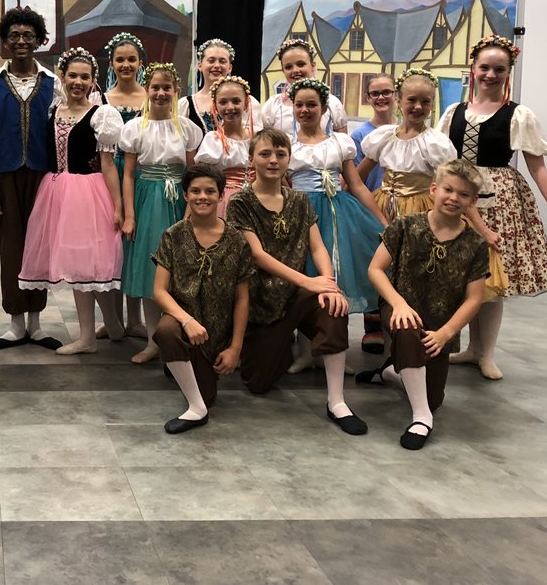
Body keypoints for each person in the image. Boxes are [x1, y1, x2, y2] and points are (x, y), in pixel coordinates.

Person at [439, 35, 547, 381]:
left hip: (500, 204)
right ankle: (466, 346)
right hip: (456, 202)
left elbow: (537, 166)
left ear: (508, 72)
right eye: (484, 67)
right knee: (459, 277)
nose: (490, 74)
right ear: (473, 69)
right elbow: (437, 160)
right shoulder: (453, 112)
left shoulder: (517, 115)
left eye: (499, 69)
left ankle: (485, 352)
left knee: (491, 280)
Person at [227, 127, 367, 436]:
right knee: (258, 383)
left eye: (280, 154)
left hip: (297, 295)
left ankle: (337, 401)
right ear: (251, 159)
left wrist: (328, 283)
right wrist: (309, 281)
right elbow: (257, 255)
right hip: (260, 303)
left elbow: (317, 247)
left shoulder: (299, 201)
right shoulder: (240, 202)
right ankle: (280, 348)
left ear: (289, 159)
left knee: (333, 305)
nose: (273, 160)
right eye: (265, 154)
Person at [360, 159, 490, 450]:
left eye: (463, 194)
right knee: (407, 328)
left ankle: (391, 372)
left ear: (473, 201)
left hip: (440, 325)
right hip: (399, 309)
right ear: (434, 189)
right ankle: (421, 418)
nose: (454, 198)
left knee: (435, 399)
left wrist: (447, 332)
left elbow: (475, 298)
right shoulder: (405, 226)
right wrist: (399, 304)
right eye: (448, 189)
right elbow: (375, 270)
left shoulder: (475, 244)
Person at [18, 47, 125, 355]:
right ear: (62, 77)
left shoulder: (101, 114)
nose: (79, 82)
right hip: (57, 191)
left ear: (94, 81)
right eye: (73, 76)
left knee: (90, 266)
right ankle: (105, 328)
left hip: (88, 193)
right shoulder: (54, 111)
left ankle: (92, 336)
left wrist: (117, 205)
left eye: (86, 77)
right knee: (84, 266)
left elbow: (107, 164)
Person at [0, 7, 64, 350]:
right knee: (11, 246)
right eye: (14, 36)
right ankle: (14, 322)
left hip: (43, 176)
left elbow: (60, 131)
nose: (21, 41)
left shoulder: (53, 83)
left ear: (40, 40)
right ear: (5, 42)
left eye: (28, 35)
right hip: (7, 176)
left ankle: (37, 323)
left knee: (39, 247)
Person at [286, 78, 388, 374]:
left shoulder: (340, 143)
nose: (305, 110)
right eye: (300, 105)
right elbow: (282, 185)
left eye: (311, 105)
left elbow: (356, 185)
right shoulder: (288, 146)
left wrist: (382, 222)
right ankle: (306, 351)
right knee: (306, 278)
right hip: (300, 215)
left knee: (336, 281)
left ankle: (333, 350)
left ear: (324, 108)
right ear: (293, 107)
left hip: (336, 216)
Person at [152, 164, 255, 433]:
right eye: (195, 191)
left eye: (210, 191)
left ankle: (181, 367)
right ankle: (197, 409)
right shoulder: (173, 235)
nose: (202, 197)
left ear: (221, 196)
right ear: (185, 195)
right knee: (165, 330)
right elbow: (160, 291)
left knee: (211, 392)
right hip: (186, 323)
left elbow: (242, 299)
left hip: (218, 332)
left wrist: (235, 348)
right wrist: (186, 321)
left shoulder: (236, 240)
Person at [119, 62, 203, 363]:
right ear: (147, 90)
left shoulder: (188, 128)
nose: (160, 93)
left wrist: (194, 209)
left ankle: (182, 333)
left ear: (176, 91)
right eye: (155, 87)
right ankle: (155, 339)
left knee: (183, 267)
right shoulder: (134, 128)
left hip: (178, 200)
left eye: (167, 87)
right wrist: (130, 214)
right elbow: (128, 175)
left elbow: (193, 173)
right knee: (152, 268)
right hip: (149, 199)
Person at [357, 69, 456, 223]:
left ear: (432, 103)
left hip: (418, 209)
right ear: (399, 100)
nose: (418, 107)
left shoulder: (435, 143)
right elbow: (357, 178)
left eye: (425, 101)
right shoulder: (384, 137)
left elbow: (450, 183)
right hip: (381, 206)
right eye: (412, 100)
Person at [100, 32, 149, 336]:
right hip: (109, 174)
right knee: (111, 245)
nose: (126, 64)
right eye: (121, 59)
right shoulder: (103, 99)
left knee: (135, 244)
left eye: (132, 59)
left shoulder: (151, 96)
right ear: (112, 63)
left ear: (141, 63)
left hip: (140, 174)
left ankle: (136, 318)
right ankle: (112, 319)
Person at [352, 72, 396, 353]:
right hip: (372, 203)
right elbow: (356, 177)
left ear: (396, 95)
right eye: (375, 93)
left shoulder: (409, 130)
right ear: (368, 98)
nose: (381, 98)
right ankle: (373, 324)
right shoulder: (360, 135)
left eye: (387, 92)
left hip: (407, 204)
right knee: (374, 261)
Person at [194, 75, 257, 217]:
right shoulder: (213, 140)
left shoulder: (257, 137)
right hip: (226, 200)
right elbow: (203, 178)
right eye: (223, 102)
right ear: (215, 106)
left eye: (236, 101)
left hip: (257, 198)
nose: (230, 107)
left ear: (246, 103)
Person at [261, 39, 348, 134]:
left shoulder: (332, 104)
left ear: (312, 65)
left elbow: (342, 143)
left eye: (301, 64)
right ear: (283, 71)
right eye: (288, 67)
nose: (295, 70)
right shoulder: (273, 105)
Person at [179, 38, 262, 133]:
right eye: (211, 61)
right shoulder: (185, 105)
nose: (217, 65)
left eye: (222, 61)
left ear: (230, 68)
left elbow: (255, 139)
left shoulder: (248, 102)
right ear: (200, 66)